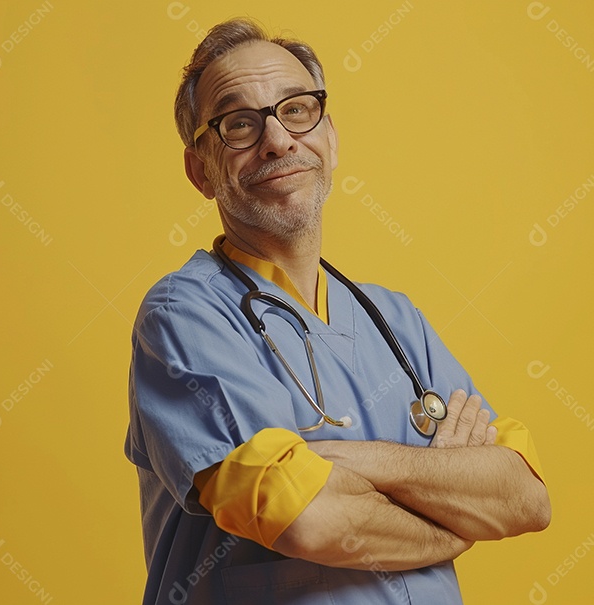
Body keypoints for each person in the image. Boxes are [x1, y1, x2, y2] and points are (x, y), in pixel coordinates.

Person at [124, 18, 550, 604]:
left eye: (297, 110)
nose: (278, 141)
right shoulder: (185, 316)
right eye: (240, 124)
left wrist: (354, 461)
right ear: (201, 170)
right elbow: (309, 519)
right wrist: (452, 514)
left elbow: (523, 497)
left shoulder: (395, 320)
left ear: (330, 137)